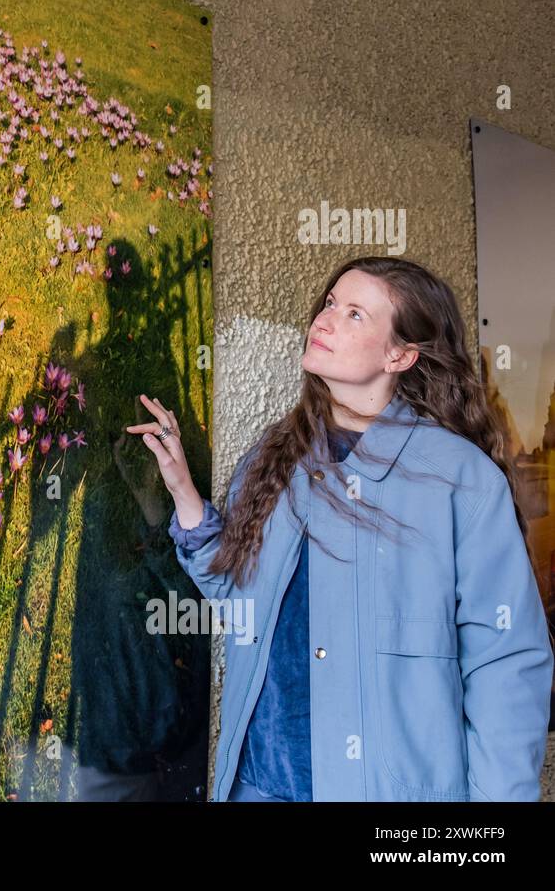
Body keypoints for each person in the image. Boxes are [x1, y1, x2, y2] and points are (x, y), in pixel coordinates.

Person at [127, 256, 554, 801]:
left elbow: (506, 668)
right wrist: (183, 491)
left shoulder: (461, 480)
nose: (325, 320)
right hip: (256, 787)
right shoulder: (277, 454)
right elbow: (237, 592)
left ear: (400, 354)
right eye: (330, 303)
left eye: (355, 314)